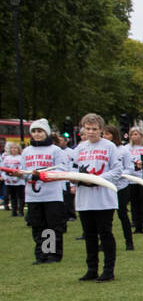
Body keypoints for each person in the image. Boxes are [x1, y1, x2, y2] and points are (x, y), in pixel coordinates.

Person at [70, 113, 124, 282]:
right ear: (83, 129)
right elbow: (72, 170)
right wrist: (77, 179)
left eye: (94, 129)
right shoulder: (79, 148)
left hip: (104, 199)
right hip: (84, 199)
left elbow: (117, 170)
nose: (91, 132)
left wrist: (97, 180)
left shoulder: (109, 147)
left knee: (105, 234)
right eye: (88, 129)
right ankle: (91, 268)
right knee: (89, 235)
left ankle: (108, 270)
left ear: (101, 130)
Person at [15, 119, 70, 263]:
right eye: (34, 131)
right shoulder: (27, 151)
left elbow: (62, 170)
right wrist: (19, 174)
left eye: (39, 131)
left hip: (51, 195)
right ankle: (41, 254)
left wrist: (42, 174)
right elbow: (24, 170)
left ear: (46, 132)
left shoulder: (55, 150)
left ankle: (53, 254)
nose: (36, 134)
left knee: (52, 225)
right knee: (38, 225)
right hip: (33, 195)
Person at [103, 126, 135, 251]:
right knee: (106, 217)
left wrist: (119, 174)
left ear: (114, 135)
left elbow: (130, 168)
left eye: (107, 134)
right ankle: (104, 243)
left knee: (123, 215)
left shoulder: (124, 150)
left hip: (121, 187)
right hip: (106, 187)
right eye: (103, 134)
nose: (105, 136)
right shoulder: (103, 149)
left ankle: (129, 242)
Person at [2, 142, 24, 216]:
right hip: (9, 181)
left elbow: (22, 168)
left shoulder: (21, 158)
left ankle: (20, 211)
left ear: (18, 149)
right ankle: (14, 211)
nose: (13, 149)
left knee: (20, 196)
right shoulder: (6, 158)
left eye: (15, 148)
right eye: (12, 148)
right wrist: (5, 178)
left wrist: (16, 178)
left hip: (19, 181)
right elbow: (3, 169)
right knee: (12, 196)